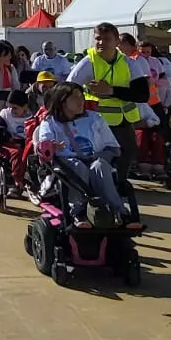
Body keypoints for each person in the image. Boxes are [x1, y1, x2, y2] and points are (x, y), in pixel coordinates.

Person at [34, 82, 139, 230]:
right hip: (65, 165)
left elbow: (113, 147)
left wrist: (99, 157)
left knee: (100, 166)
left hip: (94, 159)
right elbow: (43, 147)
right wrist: (50, 146)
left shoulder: (94, 118)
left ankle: (119, 212)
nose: (81, 101)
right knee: (77, 166)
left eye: (81, 97)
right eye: (75, 98)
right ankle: (78, 211)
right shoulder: (50, 122)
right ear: (62, 101)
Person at [67, 24, 148, 185]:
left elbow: (142, 94)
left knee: (128, 152)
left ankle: (119, 183)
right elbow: (67, 89)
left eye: (107, 39)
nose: (101, 42)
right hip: (95, 122)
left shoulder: (129, 63)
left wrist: (111, 90)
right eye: (98, 38)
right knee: (103, 157)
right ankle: (103, 185)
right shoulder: (87, 63)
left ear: (117, 41)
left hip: (123, 121)